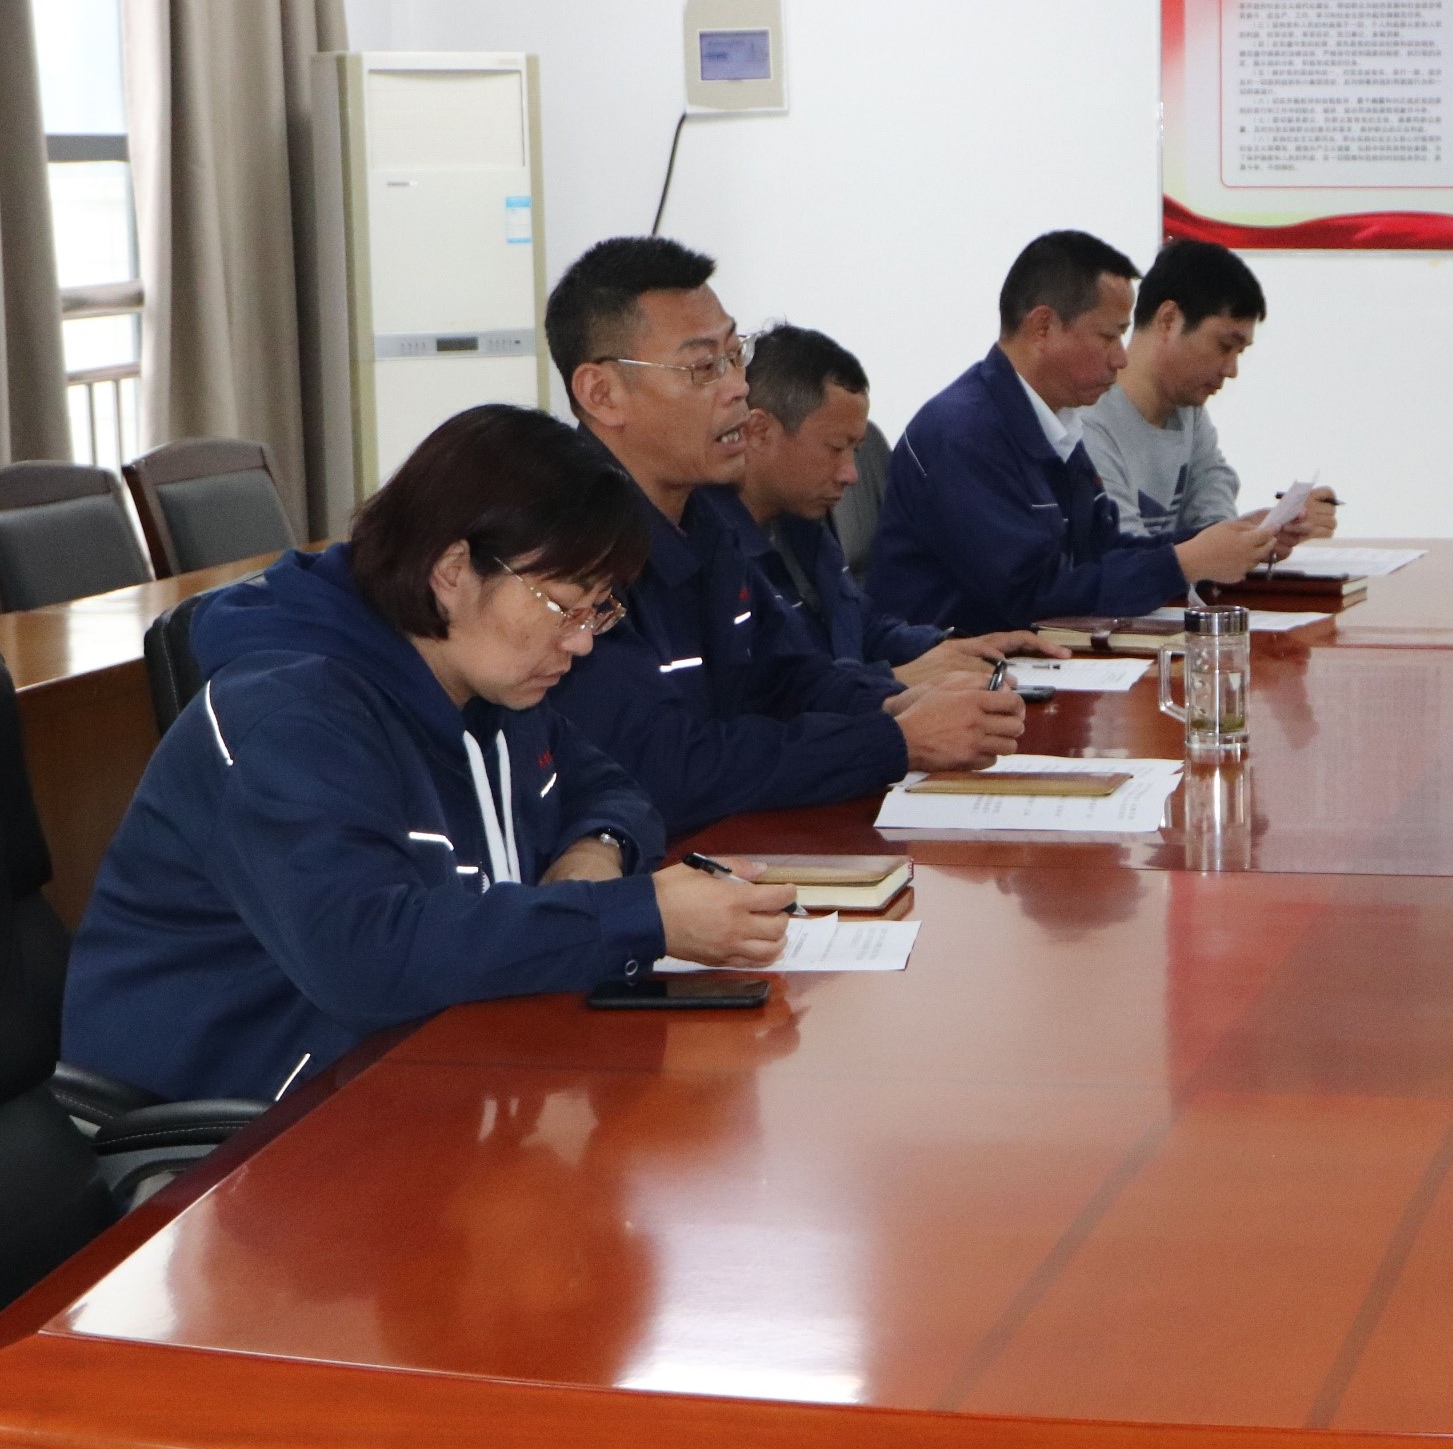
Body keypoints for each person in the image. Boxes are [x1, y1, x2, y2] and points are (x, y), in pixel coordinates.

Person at [59, 405, 799, 1106]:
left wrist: (595, 856)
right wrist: (637, 916)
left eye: (599, 609)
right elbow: (366, 959)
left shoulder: (490, 683)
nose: (581, 641)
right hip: (239, 1133)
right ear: (451, 571)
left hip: (423, 1075)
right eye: (563, 605)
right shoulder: (289, 717)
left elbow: (612, 788)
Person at [543, 237, 1022, 836]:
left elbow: (784, 675)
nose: (738, 388)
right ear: (602, 394)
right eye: (703, 368)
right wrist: (892, 741)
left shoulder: (707, 517)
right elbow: (667, 770)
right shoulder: (565, 551)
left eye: (735, 355)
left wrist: (888, 702)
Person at [864, 230, 1278, 634]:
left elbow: (1101, 548)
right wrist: (1183, 562)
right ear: (1043, 327)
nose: (1121, 359)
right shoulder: (962, 434)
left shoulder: (1052, 422)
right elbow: (1032, 599)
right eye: (1109, 336)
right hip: (956, 665)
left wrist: (1216, 543)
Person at [734, 323, 1066, 685]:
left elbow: (862, 629)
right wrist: (898, 679)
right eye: (836, 448)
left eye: (855, 451)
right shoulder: (719, 553)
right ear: (759, 431)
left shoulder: (800, 523)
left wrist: (949, 647)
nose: (851, 474)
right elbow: (776, 699)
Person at [1077, 239, 1335, 553]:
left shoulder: (1188, 411)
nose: (1231, 370)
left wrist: (1262, 532)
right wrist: (1241, 539)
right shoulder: (1087, 423)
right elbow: (1127, 557)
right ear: (1169, 320)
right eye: (1225, 346)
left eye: (1240, 353)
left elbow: (1213, 506)